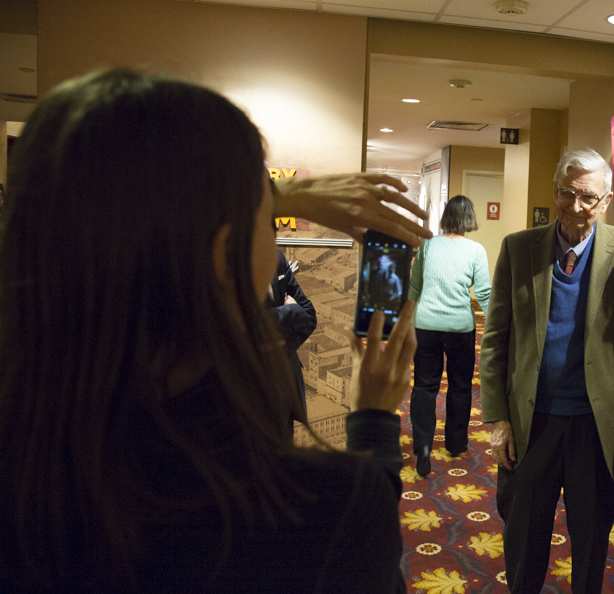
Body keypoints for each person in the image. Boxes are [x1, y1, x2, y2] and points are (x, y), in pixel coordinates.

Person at [0, 68, 430, 593]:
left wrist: (282, 194)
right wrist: (375, 425)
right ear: (225, 257)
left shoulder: (34, 462)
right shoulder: (319, 510)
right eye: (269, 218)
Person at [480, 148, 614, 593]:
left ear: (607, 199)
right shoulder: (518, 249)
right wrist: (498, 418)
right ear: (554, 191)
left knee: (592, 543)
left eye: (588, 198)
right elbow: (496, 338)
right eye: (566, 193)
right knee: (522, 540)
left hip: (597, 429)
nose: (575, 207)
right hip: (530, 423)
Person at [408, 195, 491, 477]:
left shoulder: (427, 245)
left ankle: (422, 446)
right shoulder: (476, 250)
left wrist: (407, 318)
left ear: (445, 217)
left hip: (426, 324)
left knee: (424, 386)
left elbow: (415, 285)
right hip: (460, 327)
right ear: (469, 218)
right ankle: (456, 444)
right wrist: (494, 323)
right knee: (460, 385)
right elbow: (483, 293)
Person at [265, 249, 317, 419]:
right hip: (249, 389)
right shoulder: (221, 266)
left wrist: (283, 344)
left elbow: (308, 316)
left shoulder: (276, 256)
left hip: (287, 384)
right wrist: (291, 310)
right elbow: (251, 324)